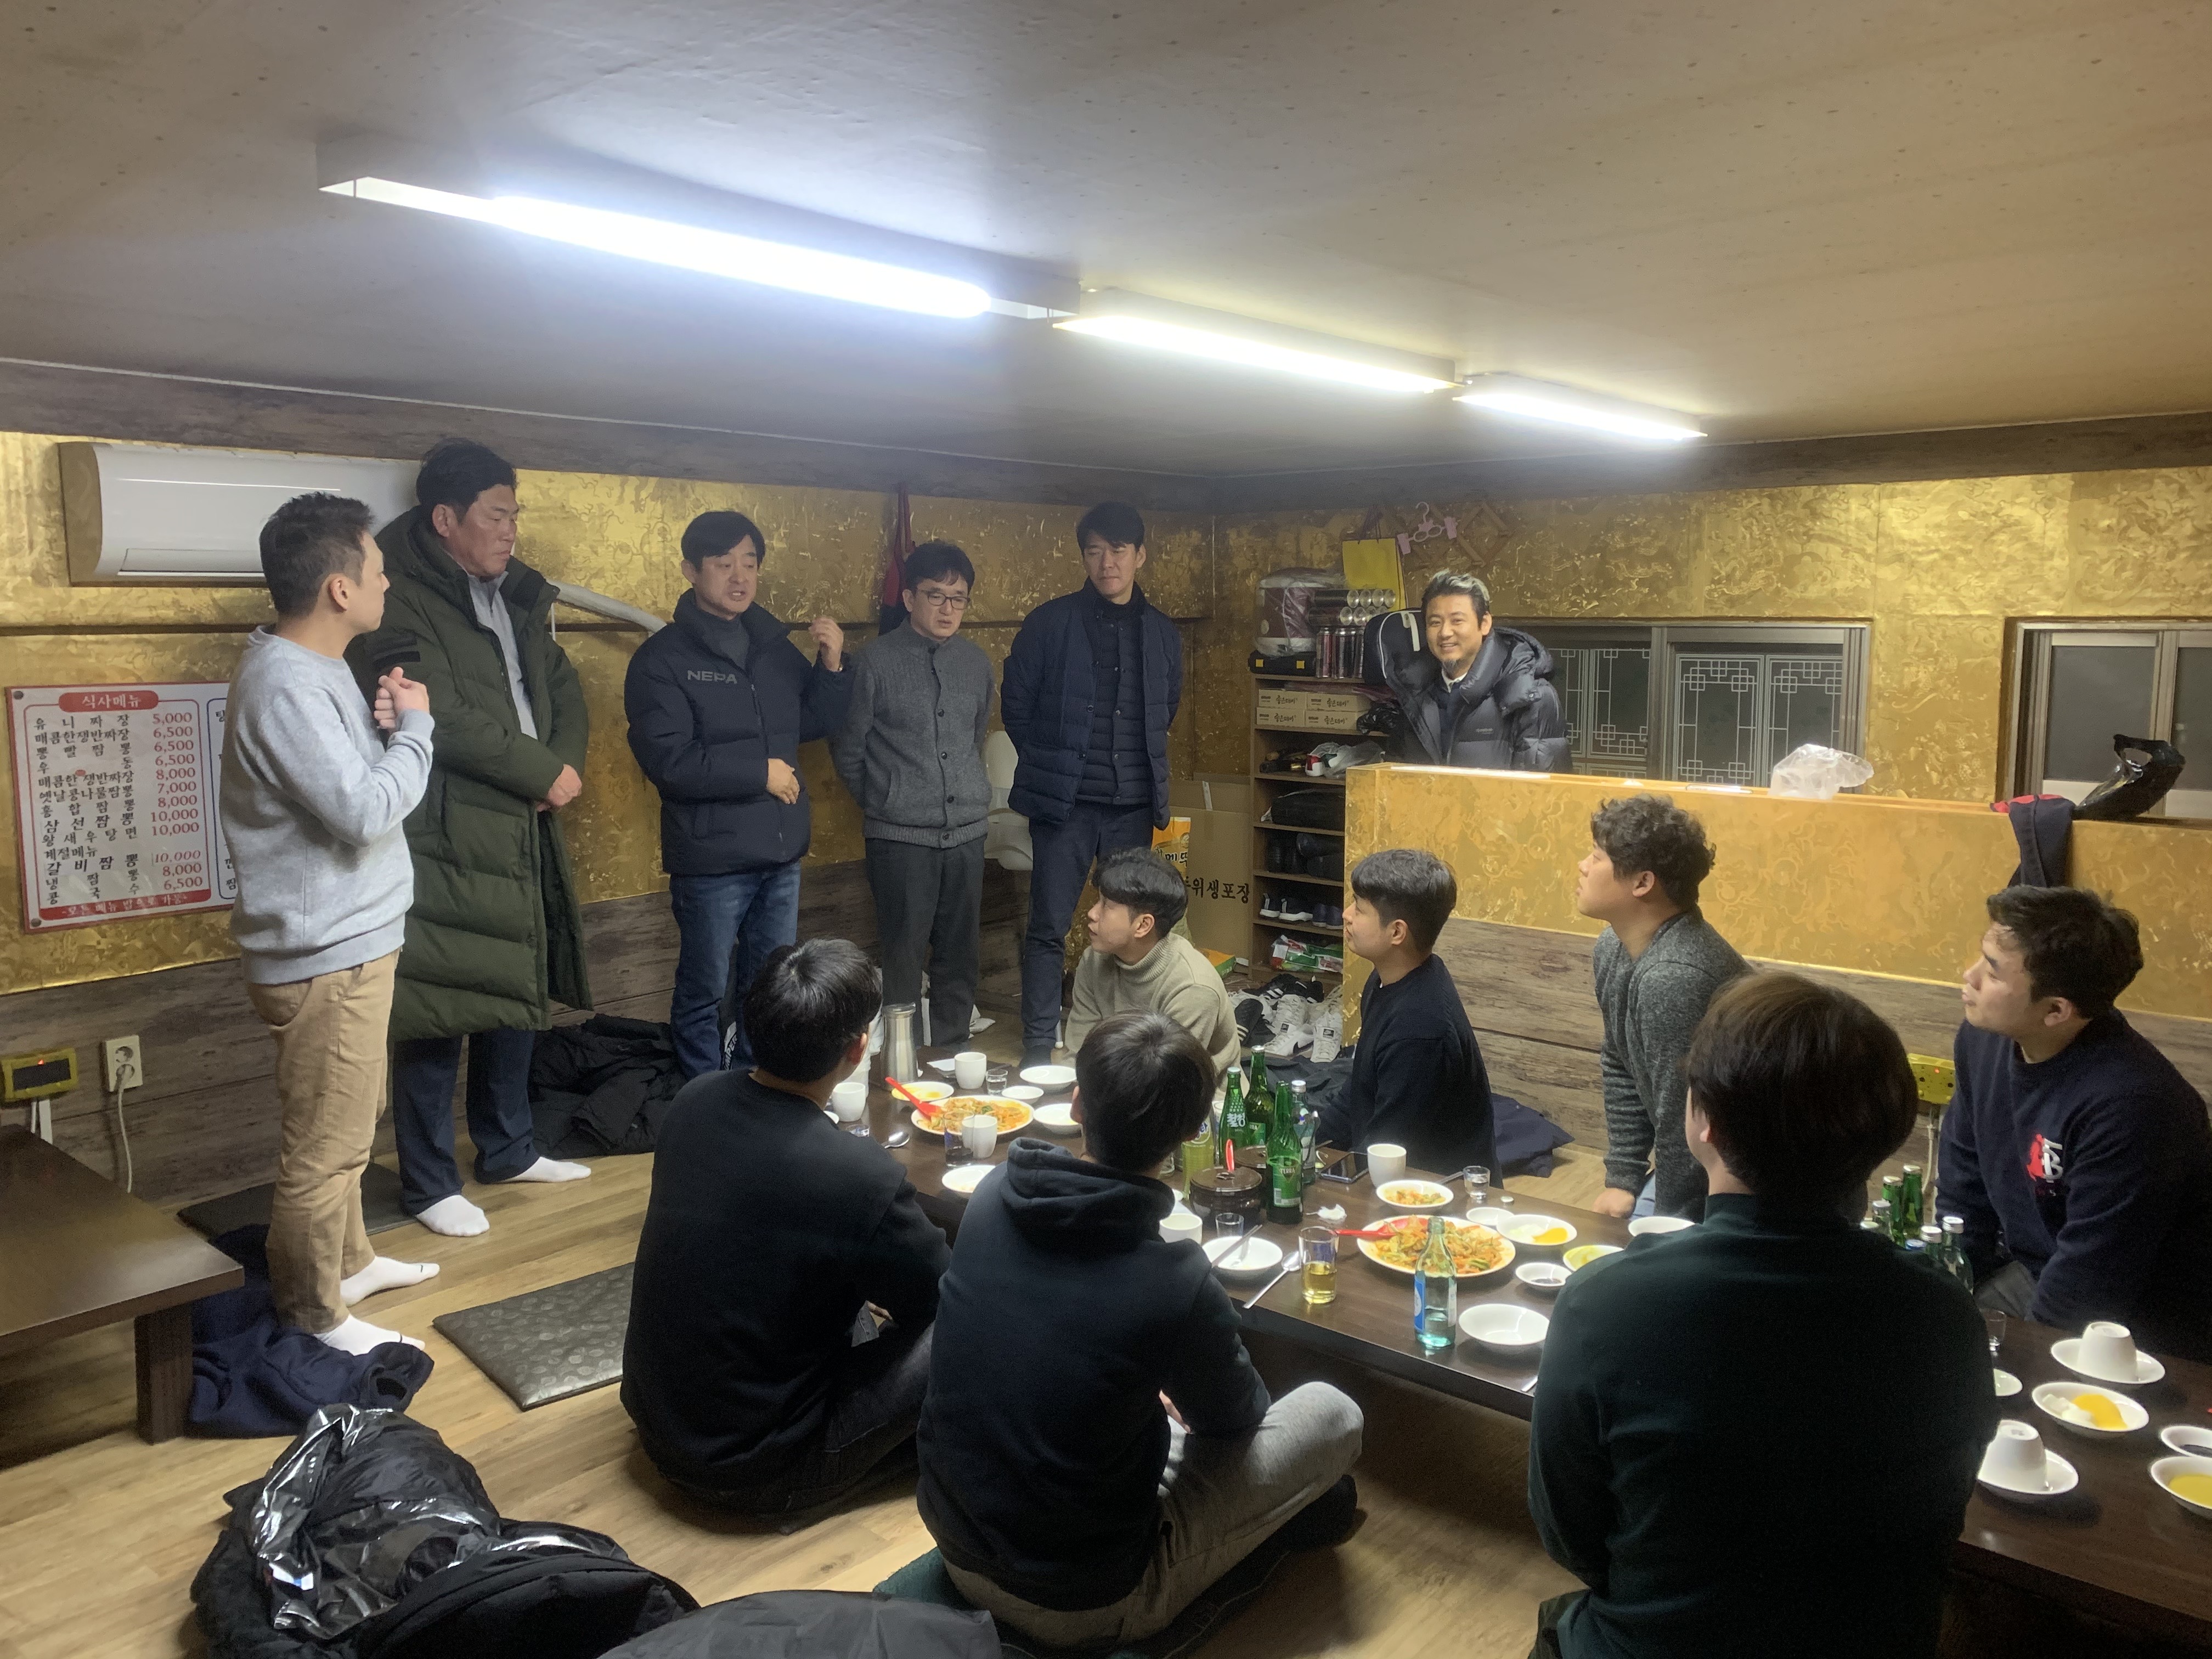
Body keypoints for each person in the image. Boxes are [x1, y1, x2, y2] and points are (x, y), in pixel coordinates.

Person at [1527, 973, 1996, 1659]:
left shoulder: (1605, 1304)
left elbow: (1570, 1536)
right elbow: (1941, 1512)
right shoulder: (1948, 1315)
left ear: (1704, 1122)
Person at [918, 1012, 1363, 1647]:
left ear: (1077, 1103)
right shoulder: (1174, 1279)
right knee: (1333, 1413)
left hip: (954, 1542)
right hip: (1085, 1599)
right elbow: (1236, 1422)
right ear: (1189, 1135)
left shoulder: (991, 1196)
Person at [351, 439, 594, 1238]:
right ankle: (428, 1183)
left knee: (516, 981)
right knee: (437, 1002)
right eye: (497, 515)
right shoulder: (396, 593)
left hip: (525, 815)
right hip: (447, 827)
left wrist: (560, 768)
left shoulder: (512, 592)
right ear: (445, 519)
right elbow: (434, 712)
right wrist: (538, 771)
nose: (511, 530)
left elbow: (559, 684)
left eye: (514, 515)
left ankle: (509, 1147)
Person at [221, 493, 439, 1355]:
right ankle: (315, 1317)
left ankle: (350, 1264)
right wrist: (417, 733)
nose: (387, 584)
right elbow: (362, 812)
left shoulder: (314, 668)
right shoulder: (286, 683)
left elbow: (344, 786)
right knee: (325, 1147)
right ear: (340, 589)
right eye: (378, 571)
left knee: (349, 1125)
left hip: (350, 939)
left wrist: (385, 733)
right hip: (325, 954)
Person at [623, 940, 948, 1517]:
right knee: (976, 1314)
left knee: (834, 1268)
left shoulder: (695, 1100)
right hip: (757, 1468)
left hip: (660, 1424)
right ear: (859, 1048)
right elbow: (942, 1298)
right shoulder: (857, 1175)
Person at [624, 510, 854, 1077]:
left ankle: (758, 1090)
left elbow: (810, 722)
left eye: (749, 563)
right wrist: (759, 774)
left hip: (780, 852)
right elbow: (669, 762)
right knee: (704, 989)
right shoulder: (663, 658)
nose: (739, 576)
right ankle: (702, 1099)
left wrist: (832, 668)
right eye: (723, 564)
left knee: (771, 988)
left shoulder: (772, 647)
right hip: (712, 861)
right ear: (690, 571)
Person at [1943, 885, 2212, 1362]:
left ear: (2056, 1011)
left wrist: (2014, 1365)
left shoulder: (2135, 1106)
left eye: (1993, 970)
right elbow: (1964, 1189)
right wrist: (1946, 1290)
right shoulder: (1982, 1039)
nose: (1971, 976)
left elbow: (2091, 1283)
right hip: (2033, 1273)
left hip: (2141, 1328)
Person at [1002, 501, 1184, 1068]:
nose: (1107, 563)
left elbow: (1166, 707)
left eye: (1118, 551)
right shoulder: (1050, 623)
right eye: (1095, 552)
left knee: (1132, 929)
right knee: (1048, 927)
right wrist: (1053, 765)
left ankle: (1126, 1042)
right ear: (1083, 557)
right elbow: (1017, 706)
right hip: (1066, 806)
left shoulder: (1162, 633)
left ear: (1140, 556)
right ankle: (1038, 1047)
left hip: (1132, 805)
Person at [831, 539, 993, 1047]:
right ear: (908, 598)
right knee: (902, 954)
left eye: (958, 598)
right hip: (900, 838)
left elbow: (973, 738)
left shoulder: (976, 663)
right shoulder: (874, 662)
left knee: (960, 954)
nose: (948, 609)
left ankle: (952, 1053)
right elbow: (849, 750)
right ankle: (903, 1062)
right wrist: (888, 799)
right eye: (935, 595)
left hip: (967, 833)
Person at [1576, 794, 1747, 1222]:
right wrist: (1623, 1178)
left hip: (1759, 1180)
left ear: (1643, 883)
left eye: (1596, 857)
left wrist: (1666, 1228)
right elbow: (1620, 1062)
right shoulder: (1613, 947)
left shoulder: (1674, 976)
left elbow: (1681, 1117)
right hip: (1705, 1159)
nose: (1583, 866)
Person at [1319, 849, 1496, 1177]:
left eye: (1359, 908)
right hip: (1390, 1165)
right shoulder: (1386, 979)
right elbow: (1360, 1090)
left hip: (1436, 1192)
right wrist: (1308, 1145)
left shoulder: (1420, 1029)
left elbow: (1387, 1150)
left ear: (1397, 932)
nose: (1346, 915)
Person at [1064, 848, 1240, 1081]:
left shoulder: (1193, 988)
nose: (1092, 914)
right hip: (1112, 1086)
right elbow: (1079, 1053)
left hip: (1192, 1096)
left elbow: (1167, 1079)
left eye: (1106, 906)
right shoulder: (1094, 961)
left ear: (1143, 925)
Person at [1381, 571, 1569, 770]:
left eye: (1457, 620)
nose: (1445, 633)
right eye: (1435, 622)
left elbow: (1543, 787)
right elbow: (1394, 779)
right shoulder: (1413, 690)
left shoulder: (1528, 695)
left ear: (1485, 624)